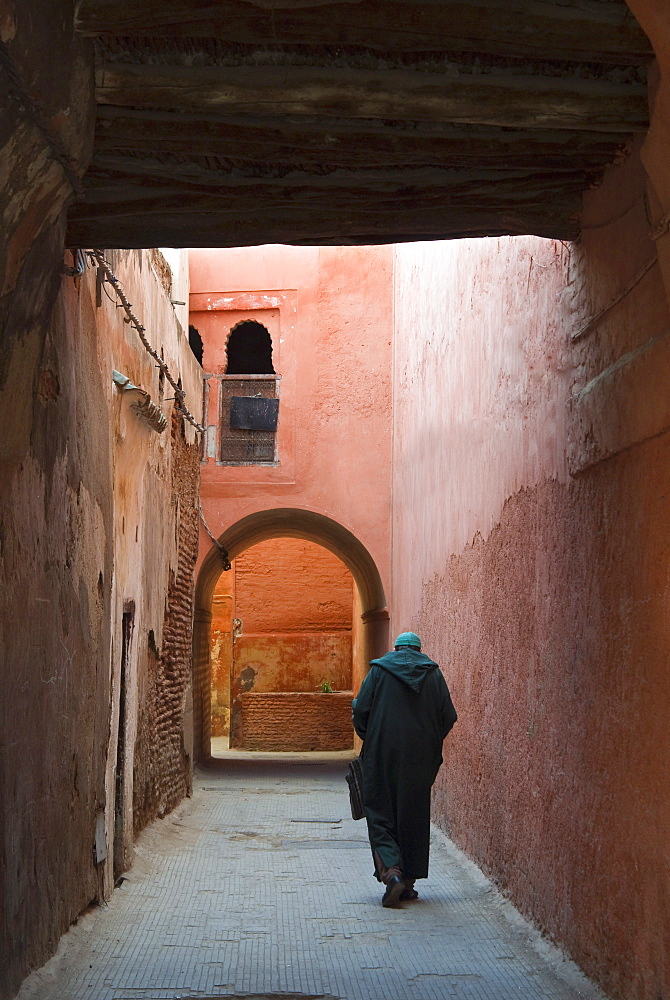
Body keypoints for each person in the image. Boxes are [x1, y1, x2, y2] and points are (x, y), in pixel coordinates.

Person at [352, 631, 457, 908]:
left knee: (379, 811)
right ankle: (408, 883)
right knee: (413, 813)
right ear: (419, 650)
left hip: (382, 754)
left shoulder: (378, 672)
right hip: (421, 758)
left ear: (396, 649)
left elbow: (361, 710)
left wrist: (372, 736)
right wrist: (429, 742)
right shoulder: (433, 675)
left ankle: (392, 873)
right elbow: (449, 716)